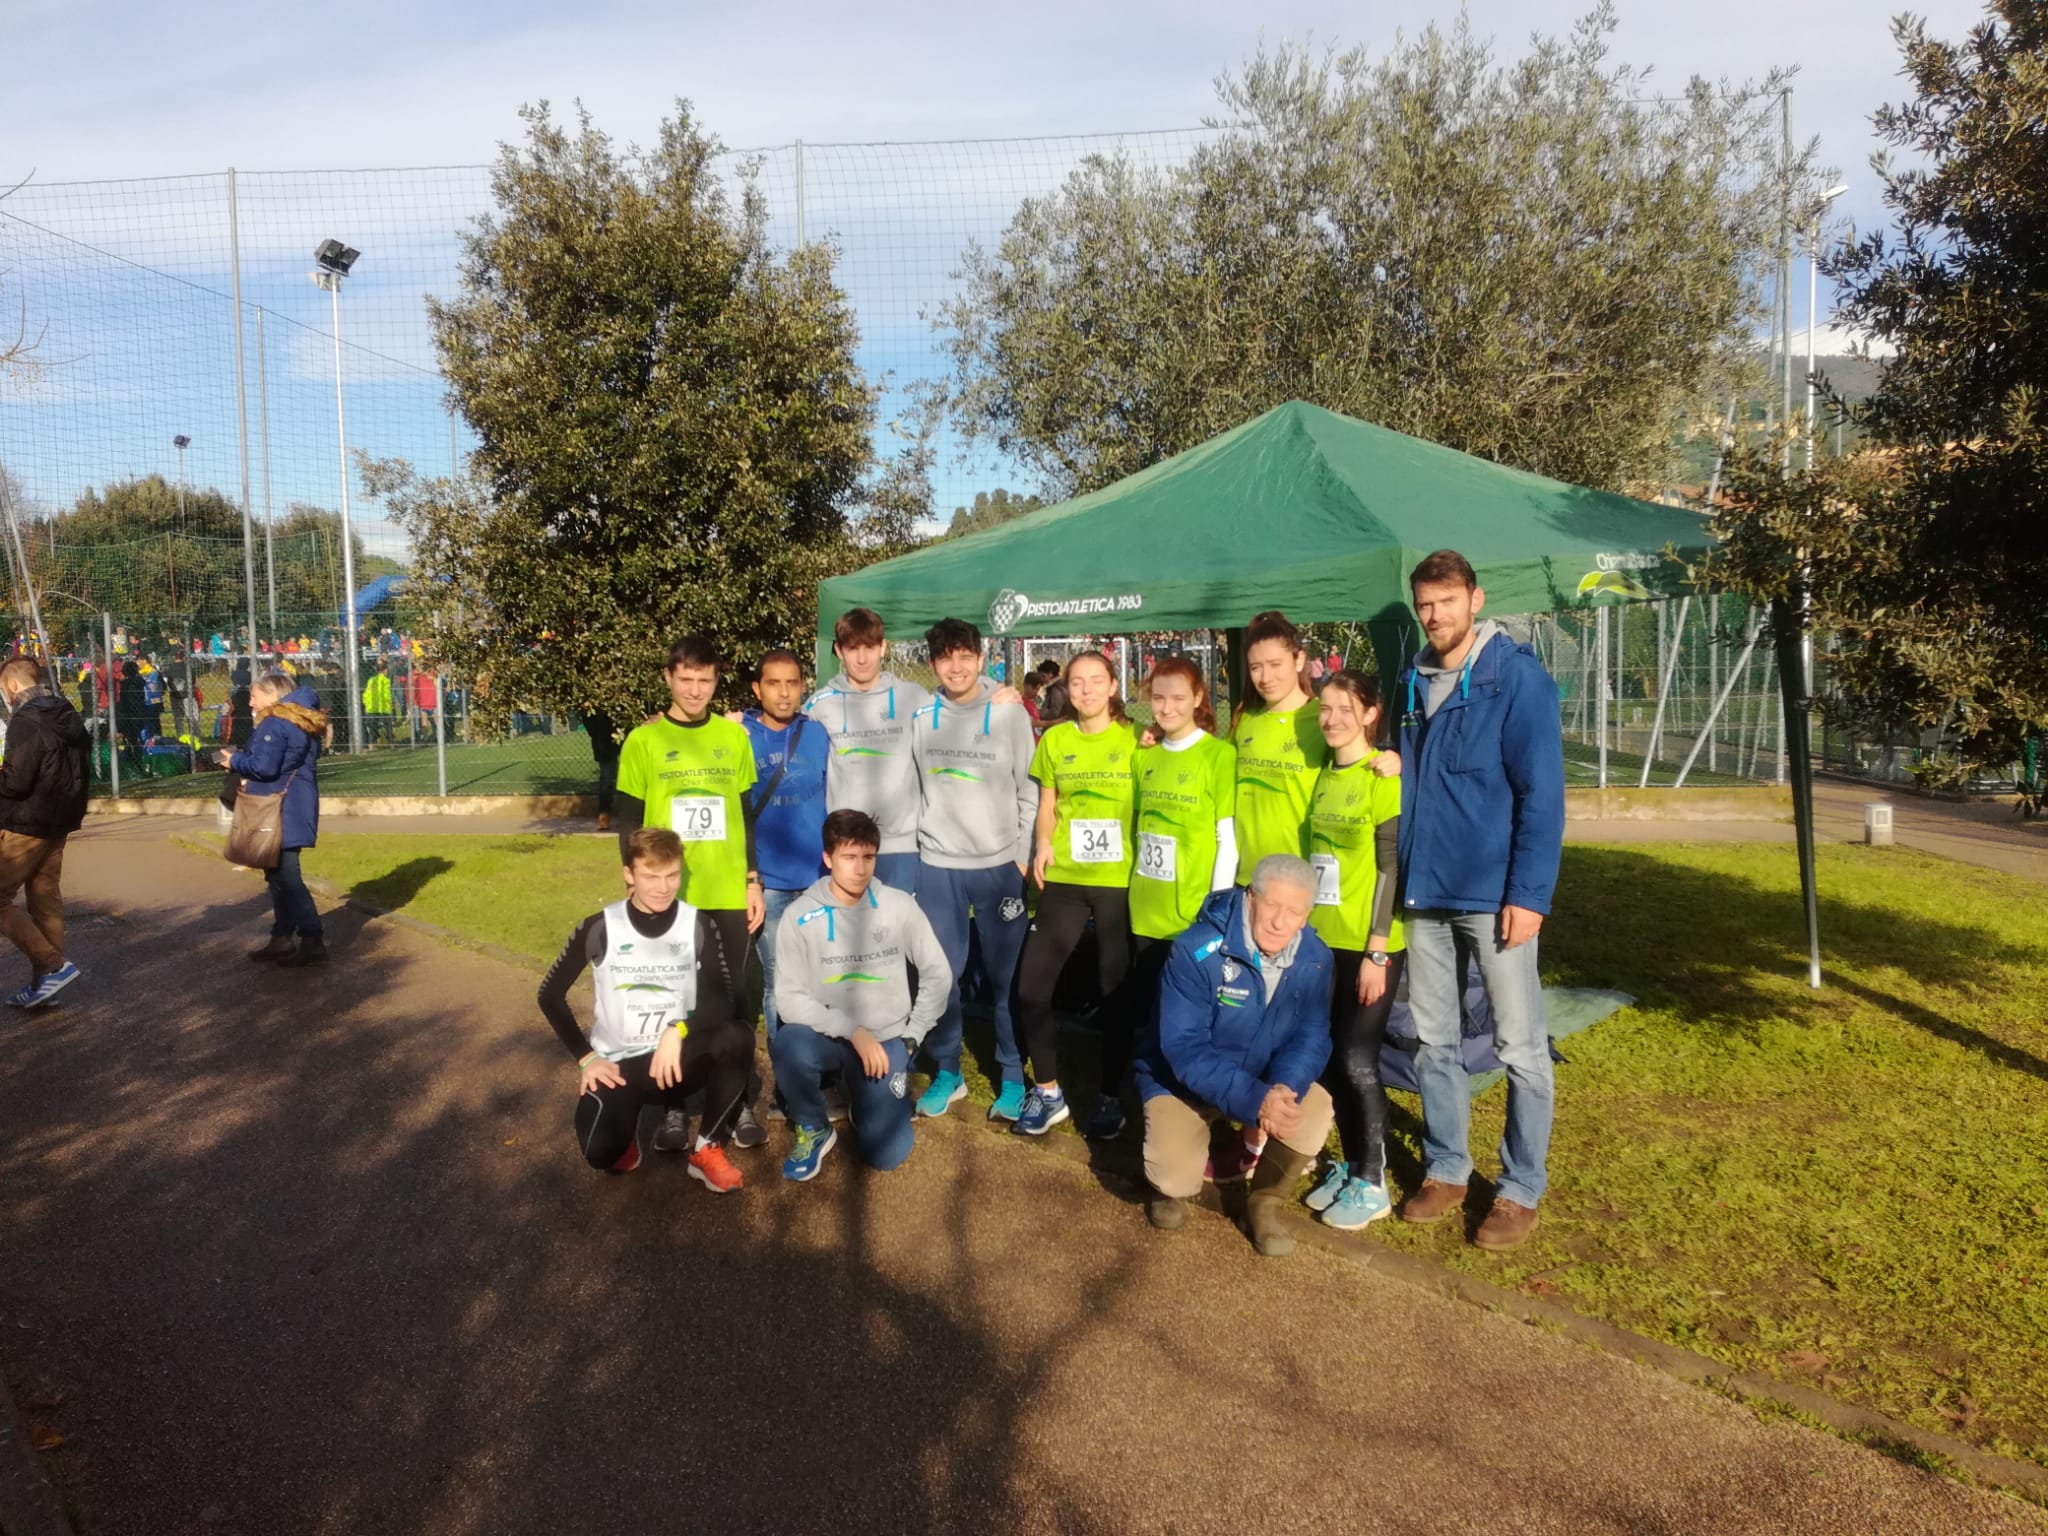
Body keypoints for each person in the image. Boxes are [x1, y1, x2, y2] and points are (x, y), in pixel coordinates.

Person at [1397, 549, 1565, 1252]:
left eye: (1446, 601)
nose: (1434, 615)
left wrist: (1528, 894)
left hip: (1494, 898)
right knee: (1433, 1042)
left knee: (1520, 1047)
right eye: (1425, 604)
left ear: (1475, 598)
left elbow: (1542, 795)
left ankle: (1520, 1186)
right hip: (1425, 892)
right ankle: (1447, 1168)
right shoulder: (1413, 680)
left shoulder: (1515, 678)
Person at [1134, 854, 1336, 1256]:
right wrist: (1255, 1099)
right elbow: (1184, 1047)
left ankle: (1264, 1204)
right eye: (1272, 905)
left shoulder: (1317, 958)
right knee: (1173, 1176)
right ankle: (1169, 1189)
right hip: (1180, 1080)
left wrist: (1283, 1088)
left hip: (1260, 1080)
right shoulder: (1195, 949)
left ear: (1306, 916)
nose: (1280, 922)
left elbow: (1312, 1036)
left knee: (1315, 1111)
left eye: (1294, 912)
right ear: (1250, 898)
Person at [613, 636, 768, 1151]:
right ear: (668, 678)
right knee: (672, 998)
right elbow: (628, 820)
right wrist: (635, 880)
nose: (696, 690)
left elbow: (744, 815)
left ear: (716, 681)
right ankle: (674, 1108)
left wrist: (751, 880)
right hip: (670, 893)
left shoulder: (733, 737)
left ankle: (738, 1101)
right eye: (686, 679)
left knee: (733, 997)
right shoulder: (643, 741)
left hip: (725, 890)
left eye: (705, 680)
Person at [537, 826, 753, 1190]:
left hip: (677, 1060)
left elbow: (723, 1000)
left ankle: (707, 1150)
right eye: (651, 877)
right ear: (629, 874)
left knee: (738, 1035)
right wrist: (587, 1058)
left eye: (672, 876)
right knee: (599, 1152)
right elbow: (549, 995)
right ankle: (626, 1133)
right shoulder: (600, 927)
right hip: (620, 1067)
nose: (663, 887)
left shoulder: (697, 924)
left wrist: (678, 1029)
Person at [1088, 655, 1238, 1140]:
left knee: (1182, 1022)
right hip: (1142, 911)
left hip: (1190, 916)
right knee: (1134, 1010)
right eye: (1158, 698)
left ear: (1198, 698)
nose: (1167, 707)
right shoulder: (1144, 755)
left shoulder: (1218, 756)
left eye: (1178, 697)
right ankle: (1123, 1098)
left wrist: (1216, 910)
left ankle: (1187, 1112)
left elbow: (1227, 839)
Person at [769, 809, 951, 1179]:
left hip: (886, 1039)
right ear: (828, 858)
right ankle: (813, 1126)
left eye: (868, 857)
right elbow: (788, 999)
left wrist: (913, 1036)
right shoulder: (800, 915)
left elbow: (938, 972)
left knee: (886, 1155)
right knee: (789, 1042)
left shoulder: (899, 905)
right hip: (828, 1037)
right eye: (849, 857)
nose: (860, 868)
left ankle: (866, 1100)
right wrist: (852, 1030)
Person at [908, 618, 1036, 1121]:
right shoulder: (922, 715)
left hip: (999, 867)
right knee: (941, 975)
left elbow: (1030, 788)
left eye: (965, 656)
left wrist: (1021, 855)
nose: (956, 666)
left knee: (1006, 979)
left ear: (981, 659)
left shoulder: (1008, 712)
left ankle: (1012, 1075)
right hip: (938, 866)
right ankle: (948, 1071)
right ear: (933, 663)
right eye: (945, 657)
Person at [1012, 651, 1137, 1137]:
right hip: (1064, 878)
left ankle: (1109, 1095)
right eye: (1077, 682)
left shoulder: (1136, 742)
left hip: (1118, 883)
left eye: (1096, 681)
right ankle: (1048, 1093)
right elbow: (1048, 803)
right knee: (1031, 988)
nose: (1086, 690)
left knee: (1115, 993)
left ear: (1113, 686)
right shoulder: (1056, 739)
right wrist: (1043, 844)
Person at [1300, 669, 1405, 1230]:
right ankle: (1350, 1163)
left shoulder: (1381, 776)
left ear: (1369, 714)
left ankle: (1373, 1181)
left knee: (1357, 1058)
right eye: (1325, 708)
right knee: (1329, 1056)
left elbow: (1390, 868)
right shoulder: (1323, 772)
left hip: (1370, 945)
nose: (1332, 719)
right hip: (1324, 939)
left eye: (1345, 709)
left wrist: (1377, 952)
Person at [739, 650, 831, 1090]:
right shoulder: (739, 736)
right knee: (779, 985)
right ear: (757, 689)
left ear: (803, 687)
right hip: (769, 886)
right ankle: (788, 1085)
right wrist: (750, 880)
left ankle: (822, 1076)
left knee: (820, 983)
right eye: (773, 683)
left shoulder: (817, 733)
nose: (783, 692)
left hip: (817, 881)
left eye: (792, 683)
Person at [803, 608, 933, 895]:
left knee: (897, 924)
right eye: (852, 649)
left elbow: (955, 712)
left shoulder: (913, 697)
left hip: (902, 847)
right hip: (846, 846)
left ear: (883, 647)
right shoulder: (820, 704)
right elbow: (784, 730)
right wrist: (742, 723)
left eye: (870, 647)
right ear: (839, 651)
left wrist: (993, 694)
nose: (862, 659)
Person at [215, 670, 329, 966]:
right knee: (278, 876)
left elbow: (264, 766)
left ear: (272, 695)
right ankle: (282, 937)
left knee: (287, 878)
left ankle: (311, 937)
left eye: (254, 696)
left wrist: (234, 761)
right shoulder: (299, 719)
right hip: (293, 805)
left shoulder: (276, 723)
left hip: (279, 809)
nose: (250, 703)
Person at [0, 657, 90, 1008]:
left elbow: (17, 782)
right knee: (44, 898)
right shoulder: (66, 713)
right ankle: (46, 985)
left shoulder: (25, 721)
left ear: (12, 685)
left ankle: (53, 966)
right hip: (60, 820)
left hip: (26, 822)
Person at [583, 708, 620, 832]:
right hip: (603, 741)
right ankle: (604, 815)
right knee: (606, 778)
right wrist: (597, 735)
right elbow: (587, 718)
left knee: (631, 776)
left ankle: (634, 812)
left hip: (623, 738)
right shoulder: (593, 706)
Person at [362, 659, 394, 747]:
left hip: (372, 706)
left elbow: (366, 693)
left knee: (373, 727)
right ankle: (391, 743)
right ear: (385, 670)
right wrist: (390, 703)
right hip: (383, 705)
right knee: (388, 726)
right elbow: (386, 694)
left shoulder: (371, 680)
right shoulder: (386, 680)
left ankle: (371, 745)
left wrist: (366, 703)